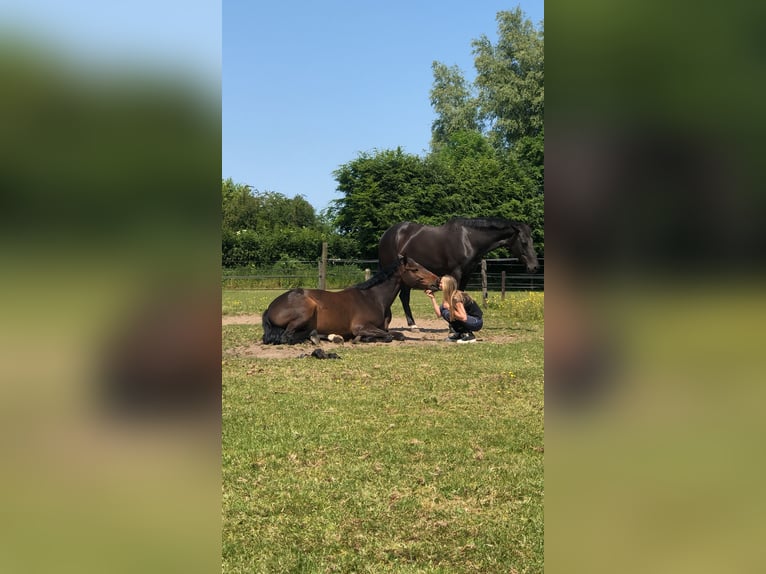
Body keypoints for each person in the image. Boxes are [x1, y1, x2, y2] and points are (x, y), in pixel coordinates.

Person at [425, 275, 483, 343]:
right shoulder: (448, 297)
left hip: (476, 322)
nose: (439, 285)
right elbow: (439, 314)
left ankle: (469, 336)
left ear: (448, 285)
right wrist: (433, 298)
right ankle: (460, 333)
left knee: (447, 312)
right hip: (468, 320)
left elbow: (463, 317)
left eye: (441, 283)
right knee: (444, 311)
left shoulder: (456, 297)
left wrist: (450, 308)